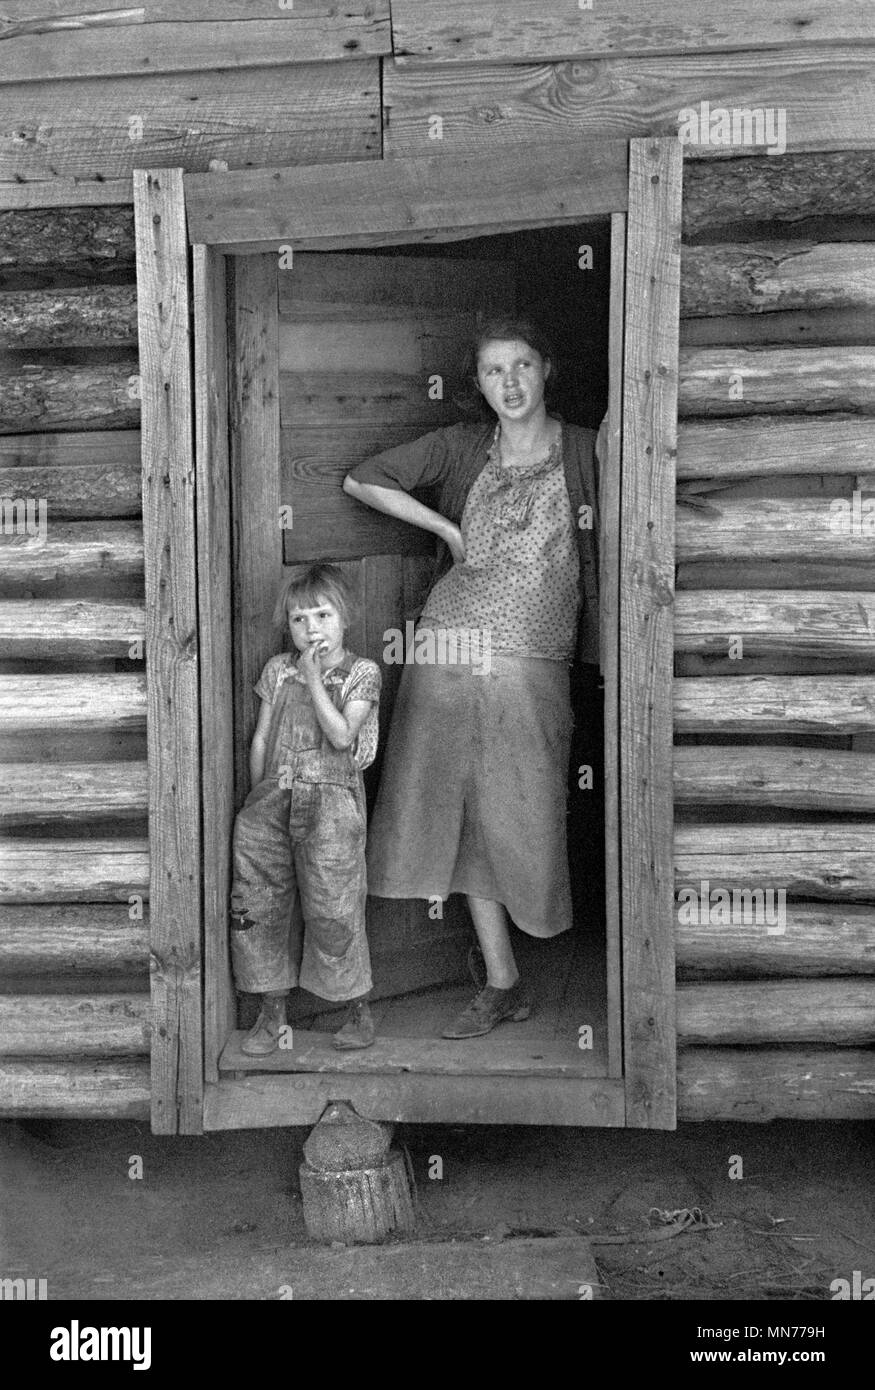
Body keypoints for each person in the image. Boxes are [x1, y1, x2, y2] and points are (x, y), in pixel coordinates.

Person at [343, 317, 602, 1039]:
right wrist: (448, 531)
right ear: (478, 382)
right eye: (493, 371)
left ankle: (532, 959)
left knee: (519, 806)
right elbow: (362, 479)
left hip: (534, 653)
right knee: (448, 808)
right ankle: (500, 980)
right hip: (449, 645)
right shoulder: (462, 447)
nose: (510, 383)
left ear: (546, 368)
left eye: (522, 365)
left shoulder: (588, 448)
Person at [229, 563, 382, 1054]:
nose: (311, 628)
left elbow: (341, 735)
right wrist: (258, 796)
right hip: (272, 800)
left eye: (322, 614)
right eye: (299, 619)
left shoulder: (362, 672)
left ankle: (358, 1011)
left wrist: (314, 678)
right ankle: (270, 1015)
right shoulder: (276, 670)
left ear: (345, 618)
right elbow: (260, 737)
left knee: (334, 907)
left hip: (331, 805)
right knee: (259, 904)